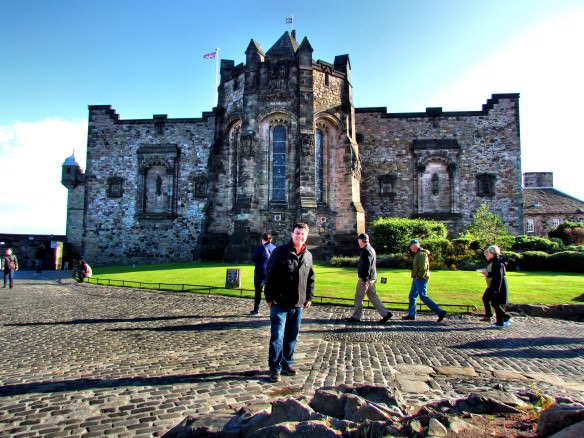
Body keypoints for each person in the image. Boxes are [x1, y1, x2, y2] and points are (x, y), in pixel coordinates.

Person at [264, 223, 314, 383]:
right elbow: (269, 275)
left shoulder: (308, 255)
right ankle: (275, 368)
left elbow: (310, 278)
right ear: (292, 234)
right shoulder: (279, 252)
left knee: (292, 337)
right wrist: (270, 298)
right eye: (297, 233)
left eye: (303, 234)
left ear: (306, 236)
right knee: (277, 336)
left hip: (298, 303)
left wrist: (309, 297)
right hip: (280, 303)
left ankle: (287, 363)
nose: (300, 236)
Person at [345, 233, 392, 323]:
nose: (358, 242)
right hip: (372, 277)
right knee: (373, 296)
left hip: (366, 278)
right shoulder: (370, 249)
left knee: (359, 297)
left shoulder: (366, 250)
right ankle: (385, 314)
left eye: (359, 240)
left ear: (361, 241)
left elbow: (367, 266)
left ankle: (356, 317)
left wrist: (364, 279)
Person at [402, 239, 446, 322]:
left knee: (423, 297)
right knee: (412, 296)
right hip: (417, 278)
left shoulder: (421, 254)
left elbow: (423, 267)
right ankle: (411, 315)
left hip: (420, 278)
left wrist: (419, 276)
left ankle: (439, 311)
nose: (410, 248)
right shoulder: (418, 254)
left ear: (414, 246)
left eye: (411, 246)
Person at [481, 245, 512, 328]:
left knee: (496, 303)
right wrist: (487, 274)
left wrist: (496, 288)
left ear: (492, 253)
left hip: (497, 286)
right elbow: (495, 274)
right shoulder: (496, 262)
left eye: (488, 252)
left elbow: (499, 276)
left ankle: (504, 318)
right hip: (496, 285)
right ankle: (500, 321)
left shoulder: (497, 262)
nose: (487, 254)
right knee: (494, 302)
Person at [250, 233, 276, 316]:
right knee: (271, 292)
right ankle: (274, 311)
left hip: (260, 272)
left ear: (262, 239)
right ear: (270, 239)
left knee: (258, 292)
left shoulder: (261, 248)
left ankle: (256, 310)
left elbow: (253, 258)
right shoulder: (274, 248)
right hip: (271, 273)